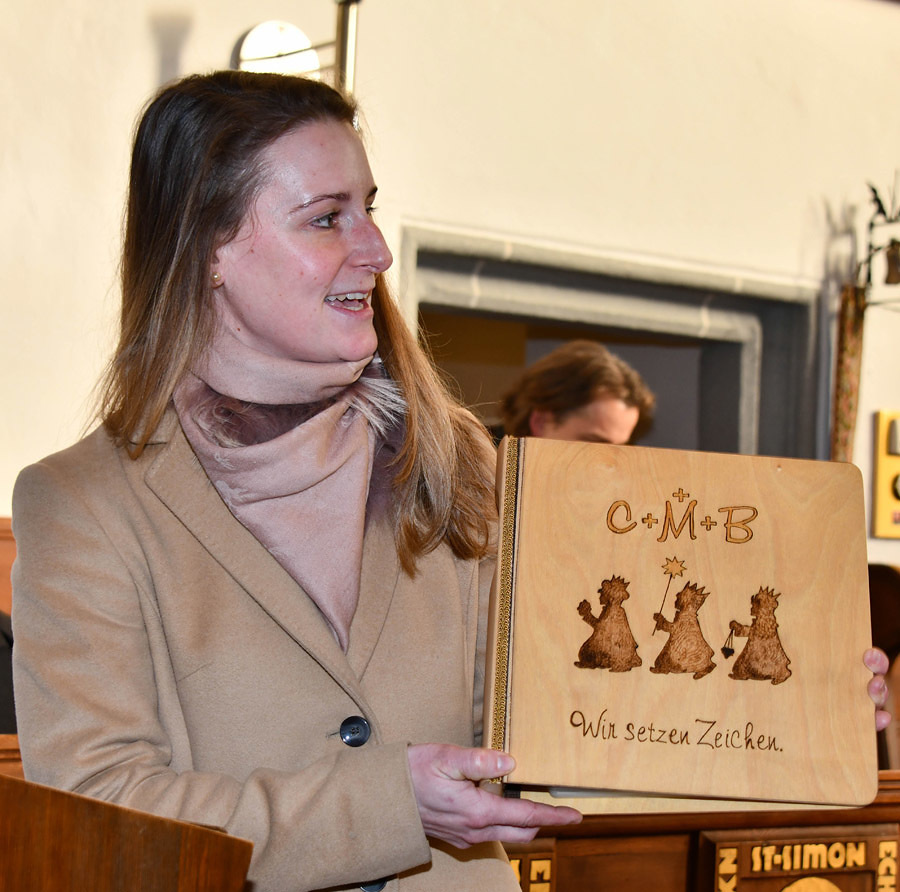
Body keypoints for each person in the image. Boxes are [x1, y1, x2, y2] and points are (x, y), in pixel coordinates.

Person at [10, 71, 580, 892]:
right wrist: (389, 805)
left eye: (369, 208)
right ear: (208, 250)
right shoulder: (85, 504)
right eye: (326, 218)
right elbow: (101, 808)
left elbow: (539, 716)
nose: (377, 250)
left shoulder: (451, 455)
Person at [499, 339, 656, 444]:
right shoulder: (491, 479)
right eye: (595, 444)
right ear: (541, 423)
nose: (611, 463)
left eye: (620, 450)